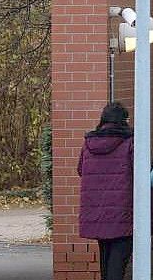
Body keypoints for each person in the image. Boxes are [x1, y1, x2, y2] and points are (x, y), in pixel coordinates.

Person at [78, 102, 134, 280]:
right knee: (118, 264)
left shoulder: (89, 143)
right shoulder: (130, 142)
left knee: (106, 260)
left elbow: (81, 170)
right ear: (123, 120)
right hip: (121, 214)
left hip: (96, 213)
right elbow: (139, 173)